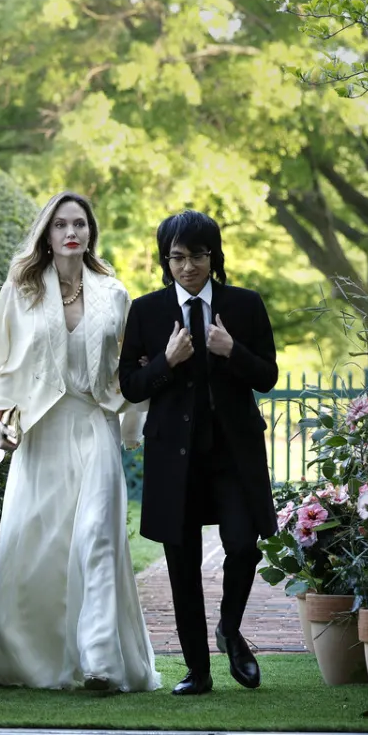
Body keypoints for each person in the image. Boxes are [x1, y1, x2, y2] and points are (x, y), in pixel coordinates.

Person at [0, 191, 161, 693]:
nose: (72, 232)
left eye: (81, 224)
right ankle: (25, 657)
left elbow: (131, 365)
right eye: (61, 224)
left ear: (91, 233)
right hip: (40, 430)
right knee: (37, 540)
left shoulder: (113, 292)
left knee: (98, 537)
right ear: (46, 234)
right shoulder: (21, 290)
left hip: (95, 425)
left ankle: (99, 663)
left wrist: (133, 425)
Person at [118, 209, 278, 696]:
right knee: (181, 562)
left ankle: (229, 630)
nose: (188, 267)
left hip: (233, 454)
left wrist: (233, 350)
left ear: (214, 255)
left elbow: (267, 377)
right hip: (174, 457)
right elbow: (129, 384)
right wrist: (167, 360)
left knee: (243, 546)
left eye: (198, 255)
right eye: (178, 257)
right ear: (166, 260)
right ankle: (198, 671)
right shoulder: (146, 312)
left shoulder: (245, 305)